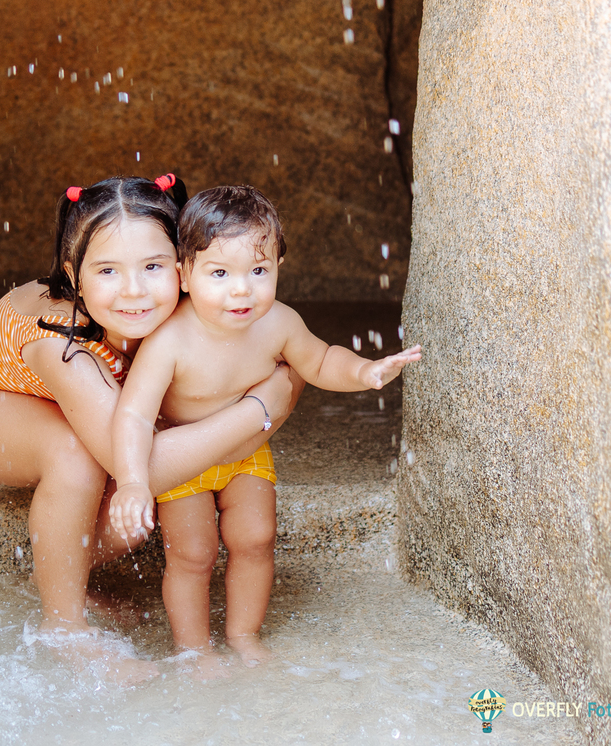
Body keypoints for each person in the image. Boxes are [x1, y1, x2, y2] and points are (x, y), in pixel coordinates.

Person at [0, 176, 303, 679]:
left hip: (76, 403)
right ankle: (63, 625)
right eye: (106, 270)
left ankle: (66, 568)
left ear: (185, 268)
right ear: (73, 276)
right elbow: (147, 469)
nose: (134, 290)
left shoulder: (195, 304)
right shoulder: (65, 343)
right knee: (85, 457)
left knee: (134, 516)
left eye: (153, 266)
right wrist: (260, 408)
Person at [109, 185, 421, 667]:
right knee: (193, 555)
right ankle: (194, 650)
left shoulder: (278, 322)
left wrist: (364, 371)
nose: (242, 289)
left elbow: (319, 360)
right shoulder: (170, 340)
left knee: (255, 538)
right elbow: (132, 413)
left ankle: (244, 635)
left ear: (278, 267)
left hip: (245, 453)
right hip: (185, 453)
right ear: (184, 274)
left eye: (259, 271)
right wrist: (132, 480)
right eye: (220, 273)